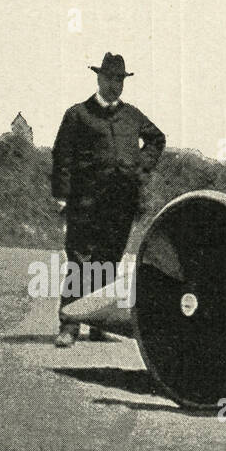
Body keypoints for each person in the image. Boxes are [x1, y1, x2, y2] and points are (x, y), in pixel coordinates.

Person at [50, 52, 166, 346]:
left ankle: (98, 323)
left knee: (109, 261)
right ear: (99, 78)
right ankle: (70, 324)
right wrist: (62, 195)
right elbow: (62, 156)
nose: (115, 85)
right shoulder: (77, 115)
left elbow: (157, 139)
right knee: (79, 261)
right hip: (85, 204)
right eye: (109, 78)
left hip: (121, 204)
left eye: (120, 80)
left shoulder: (132, 115)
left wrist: (140, 167)